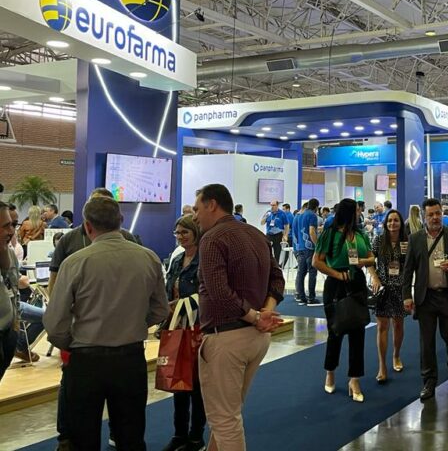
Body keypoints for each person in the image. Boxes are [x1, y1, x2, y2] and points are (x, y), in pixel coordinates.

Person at [43, 196, 170, 450]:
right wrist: (135, 324)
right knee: (131, 437)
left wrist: (72, 342)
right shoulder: (148, 258)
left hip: (86, 360)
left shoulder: (75, 262)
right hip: (131, 358)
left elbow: (55, 323)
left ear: (87, 226)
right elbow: (161, 310)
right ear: (120, 221)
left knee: (83, 439)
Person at [194, 184, 284, 451]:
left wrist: (257, 316)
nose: (195, 216)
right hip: (256, 339)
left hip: (227, 338)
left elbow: (219, 292)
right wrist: (265, 311)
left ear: (212, 205)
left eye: (197, 209)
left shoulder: (211, 238)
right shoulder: (256, 234)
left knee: (224, 419)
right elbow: (277, 278)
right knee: (229, 412)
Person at [403, 198, 448, 401]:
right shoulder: (415, 239)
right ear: (424, 217)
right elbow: (408, 270)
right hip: (425, 298)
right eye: (431, 214)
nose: (435, 217)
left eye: (437, 213)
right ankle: (429, 381)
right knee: (427, 343)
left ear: (442, 213)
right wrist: (406, 296)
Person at [312, 198, 374, 402]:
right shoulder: (330, 234)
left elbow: (371, 257)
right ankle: (330, 371)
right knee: (335, 330)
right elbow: (317, 262)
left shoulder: (360, 234)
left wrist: (362, 262)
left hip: (357, 284)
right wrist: (337, 274)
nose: (359, 213)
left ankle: (354, 379)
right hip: (336, 286)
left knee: (358, 331)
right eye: (356, 210)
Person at [162, 216, 206, 451]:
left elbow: (208, 295)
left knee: (197, 387)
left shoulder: (205, 260)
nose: (180, 237)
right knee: (177, 384)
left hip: (198, 329)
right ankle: (179, 434)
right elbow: (168, 289)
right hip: (176, 328)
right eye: (177, 233)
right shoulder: (177, 259)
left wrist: (182, 304)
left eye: (184, 232)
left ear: (195, 233)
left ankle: (196, 437)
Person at [368, 209, 408, 382]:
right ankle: (382, 366)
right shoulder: (378, 240)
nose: (393, 223)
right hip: (382, 288)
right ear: (385, 223)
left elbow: (412, 264)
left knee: (398, 324)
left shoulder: (407, 241)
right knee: (382, 326)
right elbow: (370, 261)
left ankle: (396, 355)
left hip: (400, 288)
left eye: (396, 220)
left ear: (401, 223)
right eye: (390, 220)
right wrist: (375, 278)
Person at [0, 202, 19, 383]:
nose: (11, 231)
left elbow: (14, 288)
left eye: (13, 225)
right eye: (6, 226)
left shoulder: (9, 253)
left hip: (8, 331)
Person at [296, 199, 322, 306]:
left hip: (301, 247)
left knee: (301, 273)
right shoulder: (312, 215)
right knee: (312, 272)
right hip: (309, 248)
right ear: (316, 207)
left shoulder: (300, 215)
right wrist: (317, 245)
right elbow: (311, 231)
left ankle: (301, 297)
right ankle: (311, 298)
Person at [260, 200, 290, 267]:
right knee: (267, 251)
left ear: (277, 205)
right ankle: (268, 266)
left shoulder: (282, 214)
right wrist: (265, 217)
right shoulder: (268, 213)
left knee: (277, 252)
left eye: (273, 205)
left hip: (278, 235)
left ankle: (276, 266)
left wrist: (285, 235)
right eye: (271, 205)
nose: (272, 207)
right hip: (269, 235)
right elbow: (262, 223)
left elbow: (286, 225)